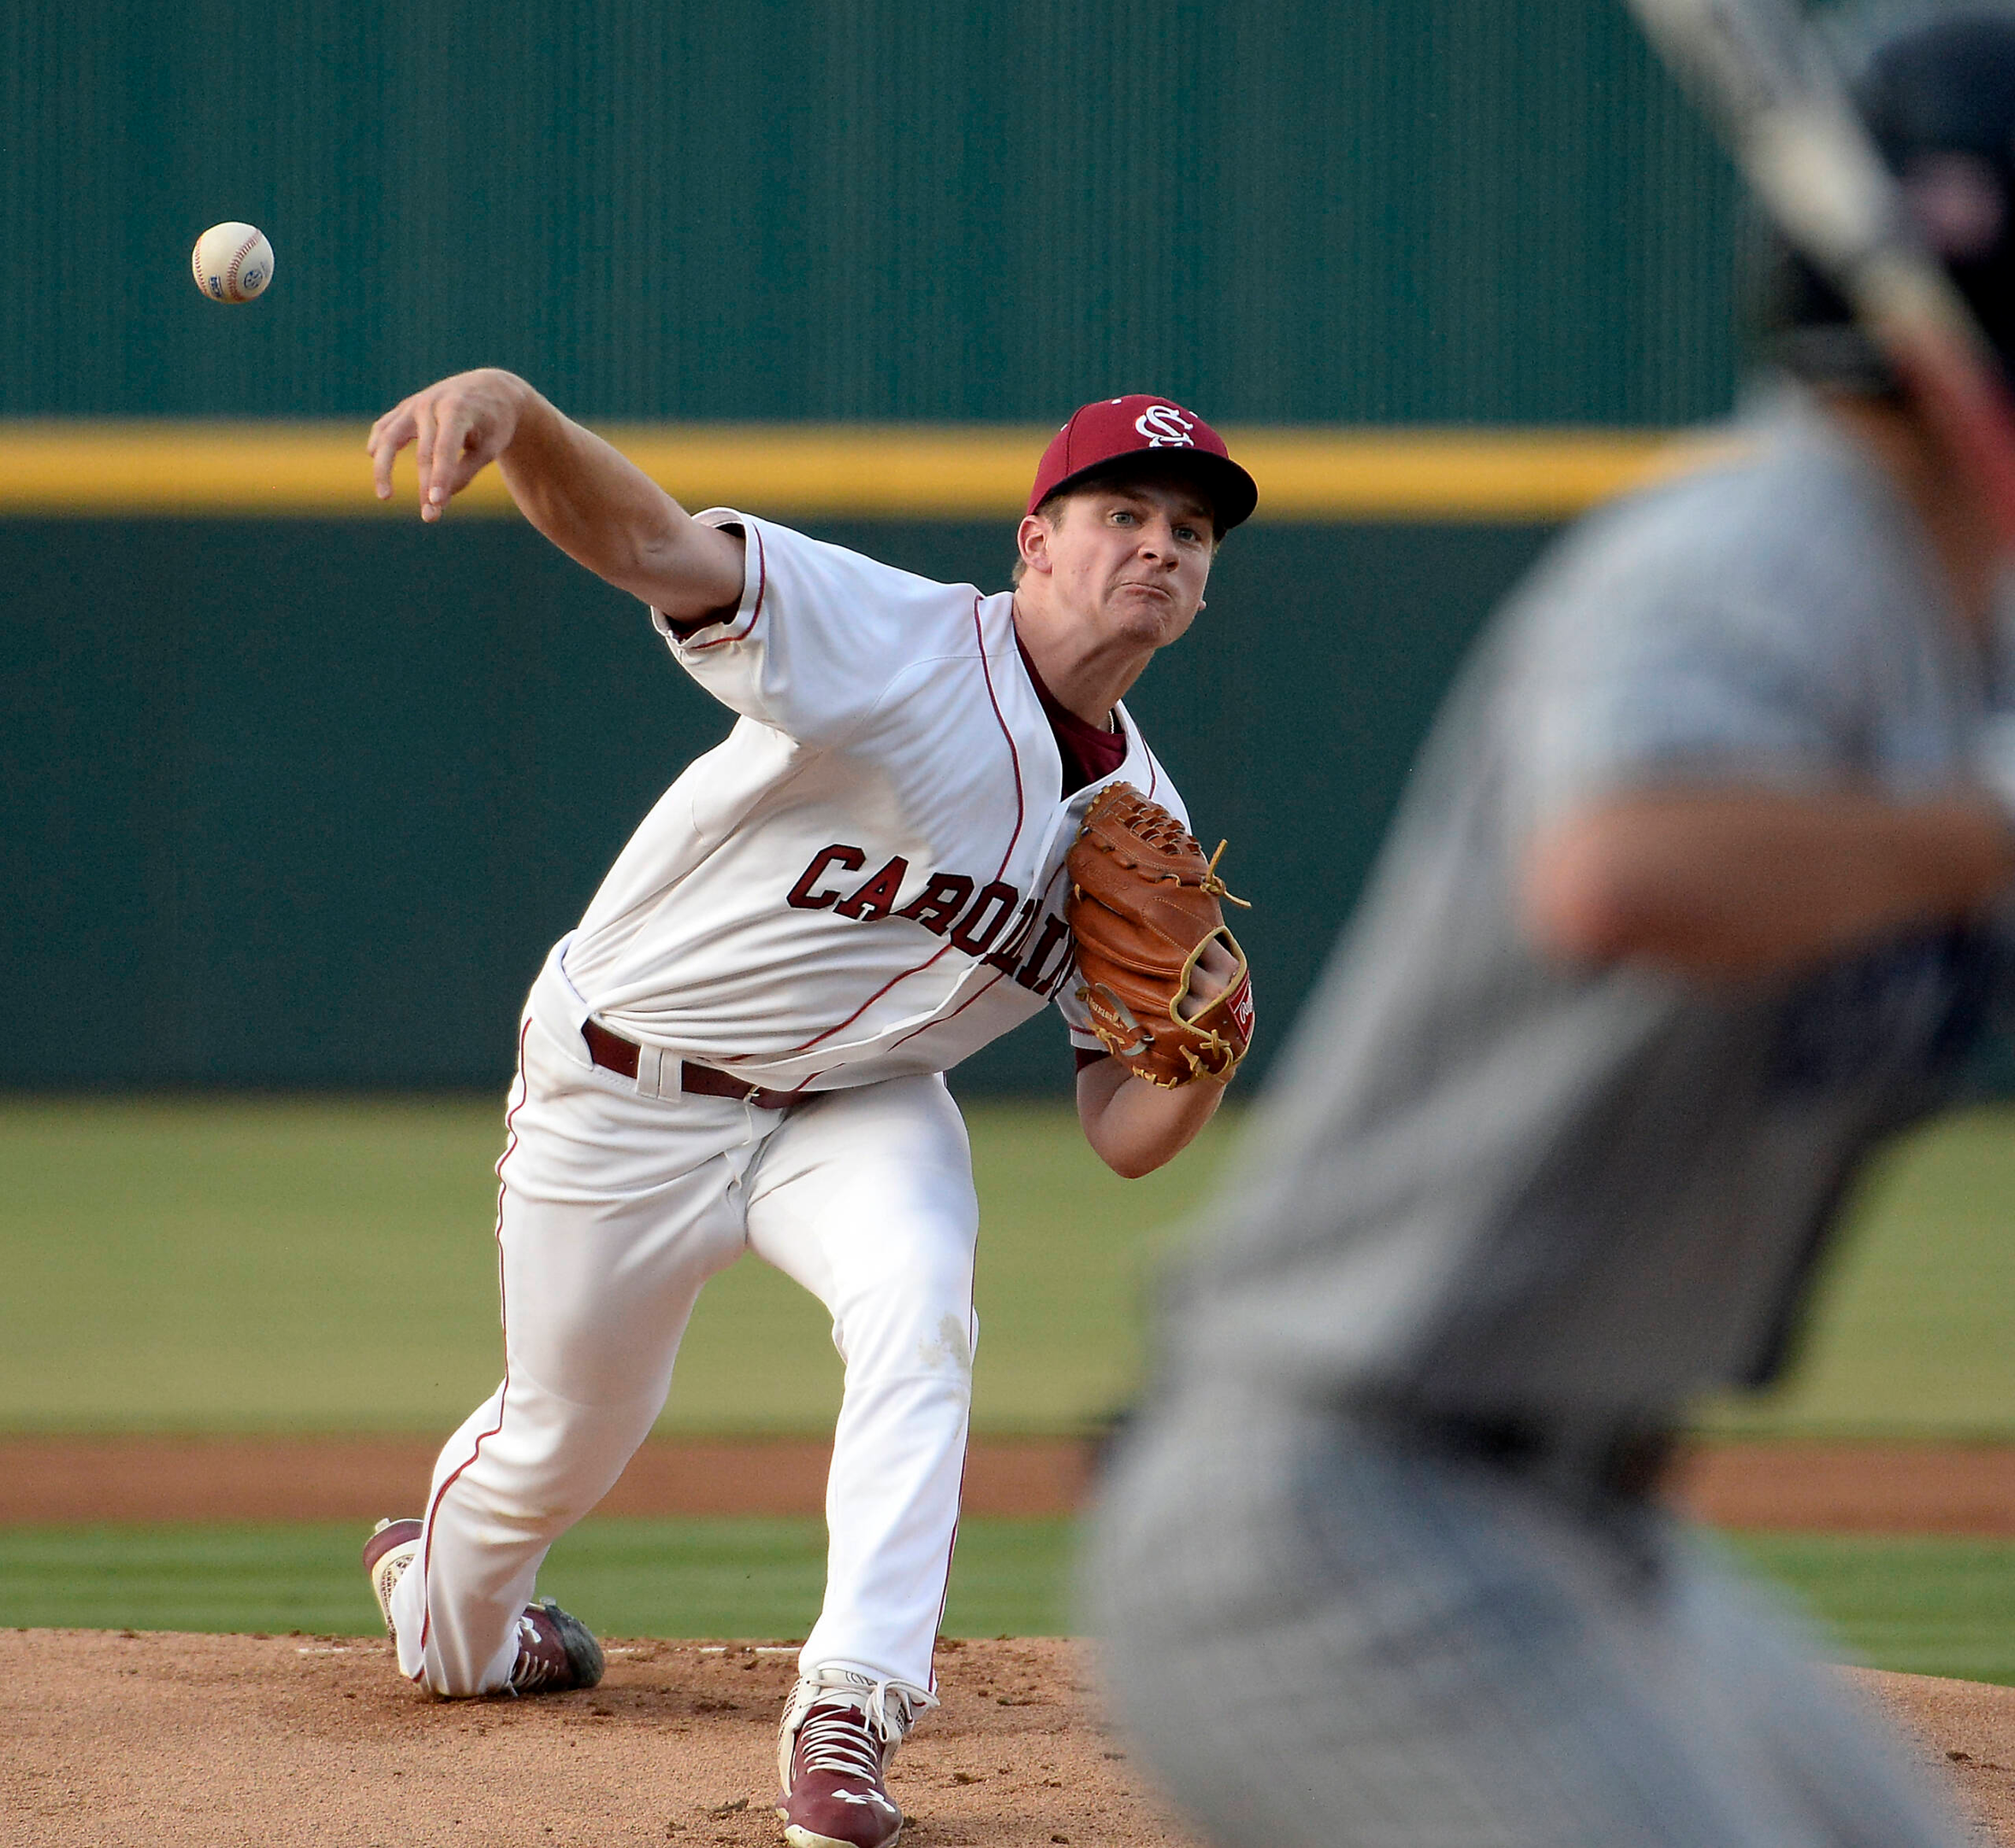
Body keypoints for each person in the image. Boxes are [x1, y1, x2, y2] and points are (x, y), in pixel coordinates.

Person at [1088, 14, 2015, 1848]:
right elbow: (1617, 866)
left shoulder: (1954, 624)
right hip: (1335, 1516)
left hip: (1576, 1530)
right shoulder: (1764, 553)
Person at [355, 380, 1258, 1848]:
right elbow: (657, 549)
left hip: (861, 1106)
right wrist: (522, 420)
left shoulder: (1136, 820)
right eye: (1123, 515)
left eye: (1189, 531)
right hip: (624, 1085)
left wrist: (1203, 1060)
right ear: (1036, 540)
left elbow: (1117, 1131)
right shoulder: (900, 639)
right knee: (563, 1438)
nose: (1159, 547)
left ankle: (850, 1704)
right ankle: (447, 1594)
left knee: (921, 1311)